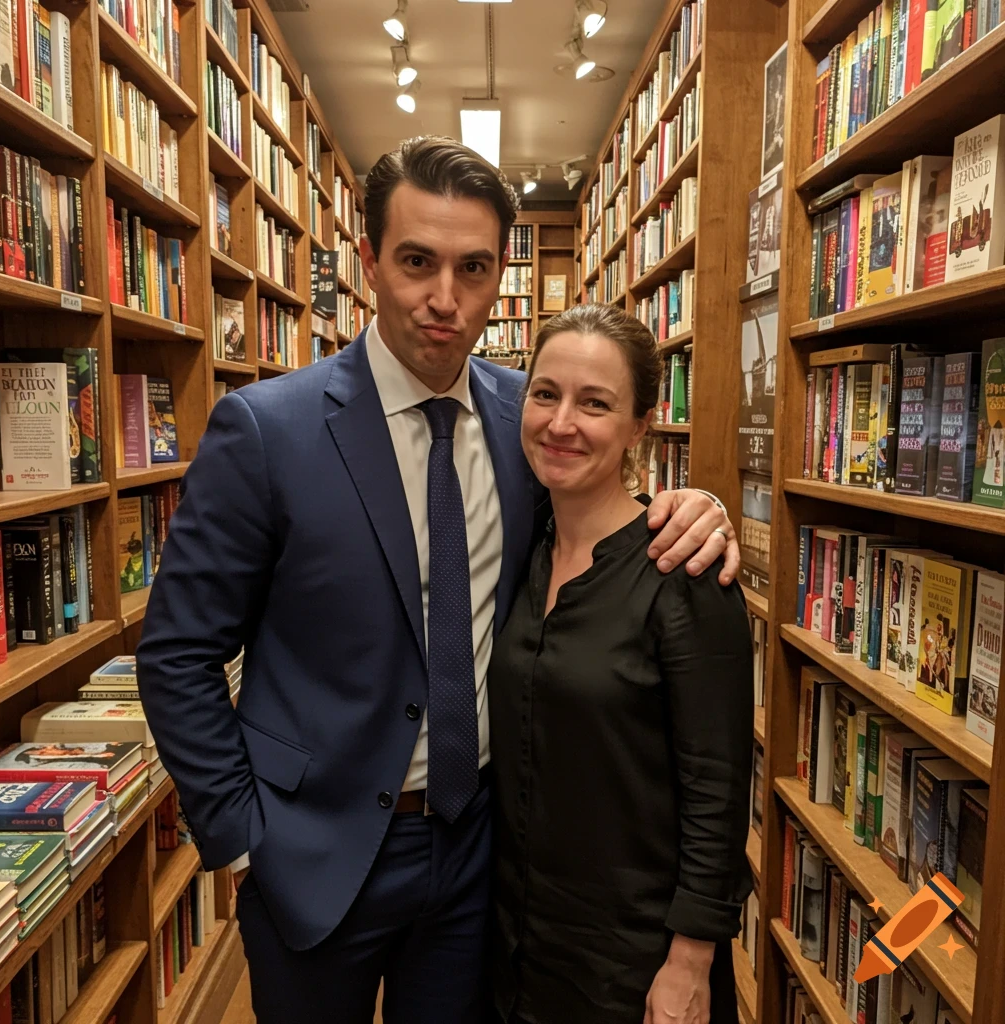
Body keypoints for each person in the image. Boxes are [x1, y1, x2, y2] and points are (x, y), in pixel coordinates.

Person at [135, 136, 740, 1024]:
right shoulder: (266, 430)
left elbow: (595, 514)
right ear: (370, 261)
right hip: (311, 854)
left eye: (474, 267)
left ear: (502, 275)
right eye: (417, 261)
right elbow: (178, 654)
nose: (444, 299)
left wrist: (694, 505)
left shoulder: (524, 417)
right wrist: (241, 837)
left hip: (478, 860)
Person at [489, 304, 754, 1024]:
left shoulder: (686, 571)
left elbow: (719, 790)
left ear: (641, 425)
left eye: (595, 403)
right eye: (545, 394)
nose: (562, 422)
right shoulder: (521, 549)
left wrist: (690, 964)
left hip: (634, 965)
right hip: (515, 945)